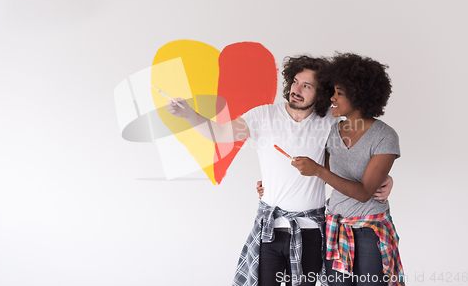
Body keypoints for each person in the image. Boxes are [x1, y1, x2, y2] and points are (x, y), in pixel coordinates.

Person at [166, 55, 393, 286]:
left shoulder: (328, 123)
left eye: (307, 86)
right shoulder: (263, 115)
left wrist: (386, 178)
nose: (297, 89)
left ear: (320, 93)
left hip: (311, 232)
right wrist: (188, 115)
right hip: (269, 230)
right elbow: (221, 134)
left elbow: (350, 159)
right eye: (295, 81)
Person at [291, 53, 404, 286]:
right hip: (335, 227)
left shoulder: (384, 136)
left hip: (370, 232)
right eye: (333, 91)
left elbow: (363, 193)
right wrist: (268, 186)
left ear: (359, 95)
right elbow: (320, 175)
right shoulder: (333, 132)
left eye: (339, 93)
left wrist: (318, 171)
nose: (332, 98)